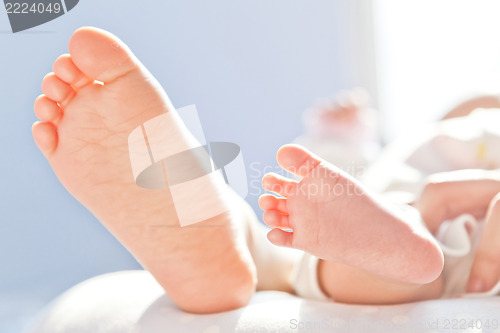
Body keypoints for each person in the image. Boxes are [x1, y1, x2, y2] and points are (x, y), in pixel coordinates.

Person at [32, 27, 499, 314]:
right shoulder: (404, 155)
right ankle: (392, 255)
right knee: (378, 257)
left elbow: (352, 174)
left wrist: (337, 139)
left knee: (314, 241)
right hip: (404, 231)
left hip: (414, 220)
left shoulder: (442, 146)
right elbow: (351, 173)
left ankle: (217, 234)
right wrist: (346, 135)